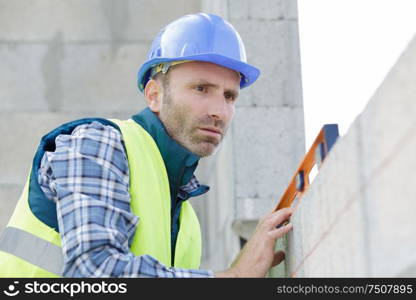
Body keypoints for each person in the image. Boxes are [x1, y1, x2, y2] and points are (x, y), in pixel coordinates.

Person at [0, 12, 293, 278]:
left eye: (229, 96)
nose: (219, 110)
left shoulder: (186, 221)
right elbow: (94, 270)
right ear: (154, 95)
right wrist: (233, 278)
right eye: (201, 88)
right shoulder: (98, 143)